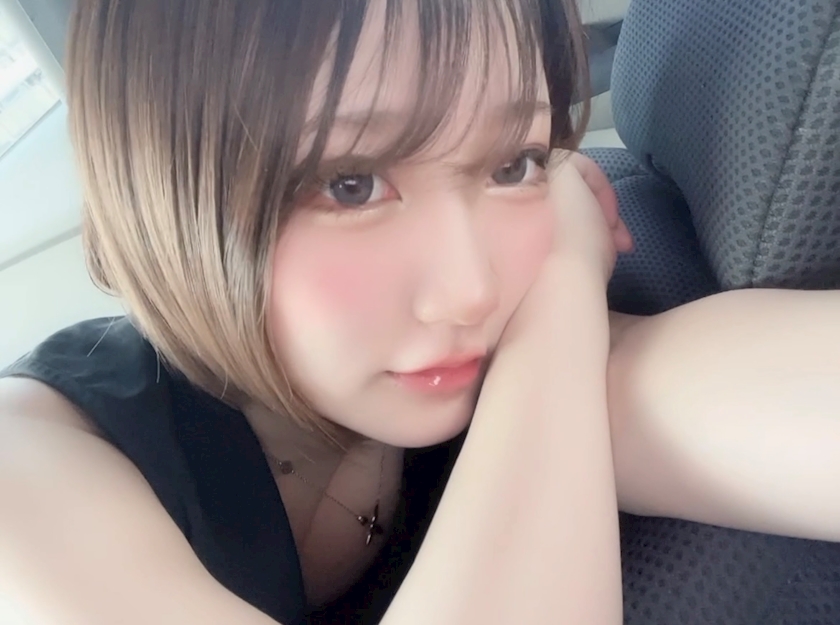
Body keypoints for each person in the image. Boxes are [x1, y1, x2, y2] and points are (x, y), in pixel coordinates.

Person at [0, 0, 838, 624]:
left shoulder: (517, 318)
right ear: (159, 199)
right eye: (351, 184)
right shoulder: (31, 466)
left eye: (513, 163)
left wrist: (563, 292)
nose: (470, 290)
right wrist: (564, 285)